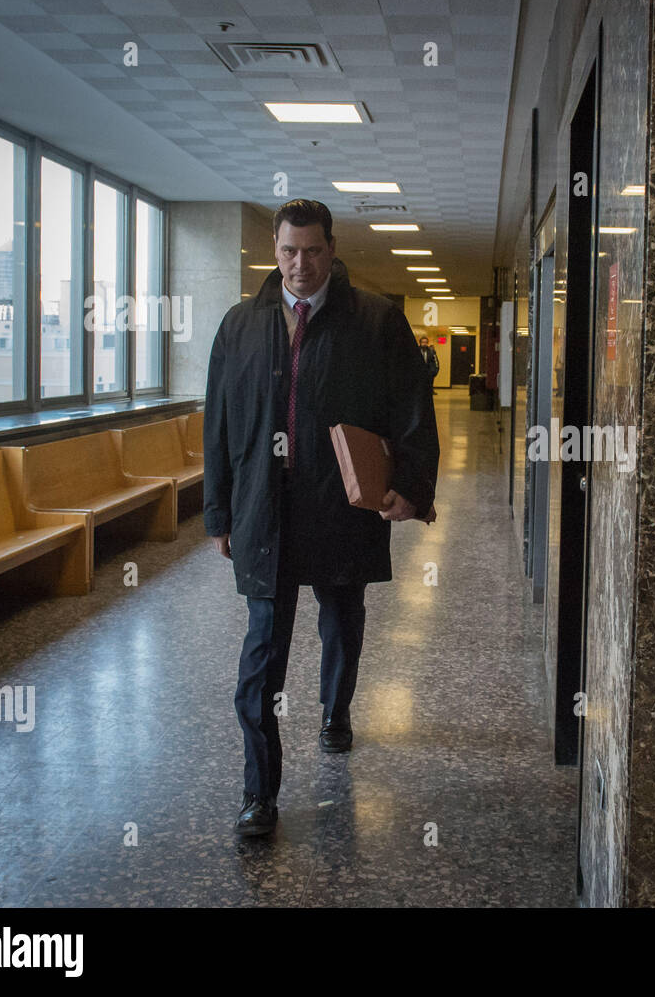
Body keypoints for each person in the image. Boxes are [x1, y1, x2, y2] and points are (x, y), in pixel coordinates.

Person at [203, 199, 439, 837]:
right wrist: (219, 510)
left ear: (331, 250)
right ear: (274, 252)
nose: (299, 264)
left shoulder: (376, 321)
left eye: (311, 251)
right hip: (265, 510)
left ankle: (335, 712)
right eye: (287, 251)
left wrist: (412, 487)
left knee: (341, 620)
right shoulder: (241, 326)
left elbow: (412, 409)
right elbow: (218, 426)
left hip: (339, 504)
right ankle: (260, 795)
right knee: (261, 654)